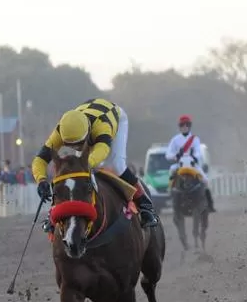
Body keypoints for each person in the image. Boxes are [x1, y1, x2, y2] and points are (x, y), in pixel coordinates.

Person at [31, 97, 159, 228]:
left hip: (114, 117)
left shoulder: (102, 126)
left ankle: (145, 205)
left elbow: (102, 150)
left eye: (79, 144)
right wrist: (41, 180)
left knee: (116, 166)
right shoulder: (60, 130)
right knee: (75, 172)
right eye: (70, 145)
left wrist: (83, 165)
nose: (76, 148)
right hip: (86, 117)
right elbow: (39, 159)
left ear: (87, 134)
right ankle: (54, 211)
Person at [165, 114, 216, 213]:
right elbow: (168, 154)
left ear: (189, 126)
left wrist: (195, 157)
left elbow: (198, 152)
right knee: (171, 170)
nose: (184, 127)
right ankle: (172, 194)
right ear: (180, 127)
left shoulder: (195, 139)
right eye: (182, 125)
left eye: (186, 125)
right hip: (180, 164)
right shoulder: (175, 140)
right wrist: (175, 156)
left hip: (192, 164)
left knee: (205, 179)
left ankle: (209, 203)